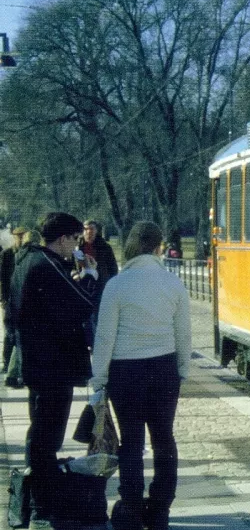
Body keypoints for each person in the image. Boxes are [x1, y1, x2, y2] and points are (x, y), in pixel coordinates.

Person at [90, 221, 190, 530]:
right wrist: (182, 370)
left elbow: (104, 337)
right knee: (164, 439)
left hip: (125, 371)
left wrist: (99, 379)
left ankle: (131, 508)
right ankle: (160, 510)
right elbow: (183, 334)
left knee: (131, 441)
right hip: (164, 368)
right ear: (160, 247)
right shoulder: (173, 283)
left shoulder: (118, 285)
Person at [10, 212, 99, 530]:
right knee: (47, 437)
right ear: (62, 239)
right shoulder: (46, 264)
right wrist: (89, 275)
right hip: (53, 366)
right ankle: (41, 508)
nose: (76, 245)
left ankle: (38, 504)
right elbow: (81, 304)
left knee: (40, 434)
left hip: (37, 362)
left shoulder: (27, 261)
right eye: (75, 240)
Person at [0, 226, 27, 378]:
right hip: (10, 298)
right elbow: (3, 279)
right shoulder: (7, 254)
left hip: (23, 299)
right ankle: (6, 362)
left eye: (24, 236)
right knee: (9, 332)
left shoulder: (27, 254)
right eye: (19, 236)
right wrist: (3, 299)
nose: (21, 239)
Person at [80, 220, 120, 286]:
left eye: (91, 229)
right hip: (81, 284)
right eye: (86, 229)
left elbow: (113, 269)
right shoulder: (77, 247)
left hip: (100, 284)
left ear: (96, 231)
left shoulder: (105, 247)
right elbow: (70, 266)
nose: (88, 232)